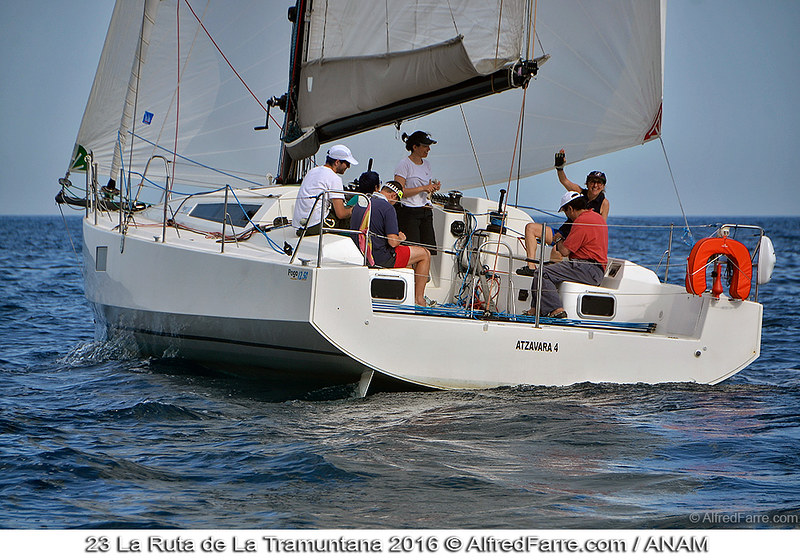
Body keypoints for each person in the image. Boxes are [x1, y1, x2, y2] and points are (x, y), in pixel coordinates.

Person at [517, 149, 610, 276]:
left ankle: (549, 277)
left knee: (556, 252)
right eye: (592, 182)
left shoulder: (604, 203)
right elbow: (564, 181)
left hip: (578, 239)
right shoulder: (578, 193)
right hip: (564, 232)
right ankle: (531, 266)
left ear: (603, 186)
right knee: (531, 228)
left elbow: (600, 229)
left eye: (599, 183)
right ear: (587, 184)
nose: (595, 185)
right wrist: (560, 168)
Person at [526, 191, 608, 319]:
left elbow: (564, 251)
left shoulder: (581, 221)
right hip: (596, 269)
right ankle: (536, 308)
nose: (567, 215)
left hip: (586, 268)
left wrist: (558, 239)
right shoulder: (597, 217)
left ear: (570, 208)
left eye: (566, 211)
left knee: (542, 272)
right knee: (548, 271)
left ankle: (556, 310)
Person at [351, 181, 431, 307]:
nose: (395, 204)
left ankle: (406, 296)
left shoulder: (362, 202)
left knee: (408, 260)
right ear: (393, 195)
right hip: (379, 257)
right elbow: (393, 242)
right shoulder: (387, 208)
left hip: (360, 254)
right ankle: (419, 300)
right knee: (424, 254)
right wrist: (401, 237)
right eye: (396, 201)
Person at [293, 144, 358, 236]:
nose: (348, 167)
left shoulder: (312, 171)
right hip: (315, 225)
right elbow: (341, 214)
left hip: (301, 225)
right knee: (350, 216)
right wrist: (355, 210)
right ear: (337, 162)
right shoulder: (334, 178)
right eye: (347, 163)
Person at [394, 131, 441, 255]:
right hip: (409, 211)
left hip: (425, 210)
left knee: (427, 251)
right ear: (415, 147)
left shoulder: (427, 165)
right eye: (425, 146)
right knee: (412, 250)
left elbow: (427, 188)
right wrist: (423, 188)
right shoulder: (404, 164)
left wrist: (433, 188)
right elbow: (399, 191)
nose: (428, 149)